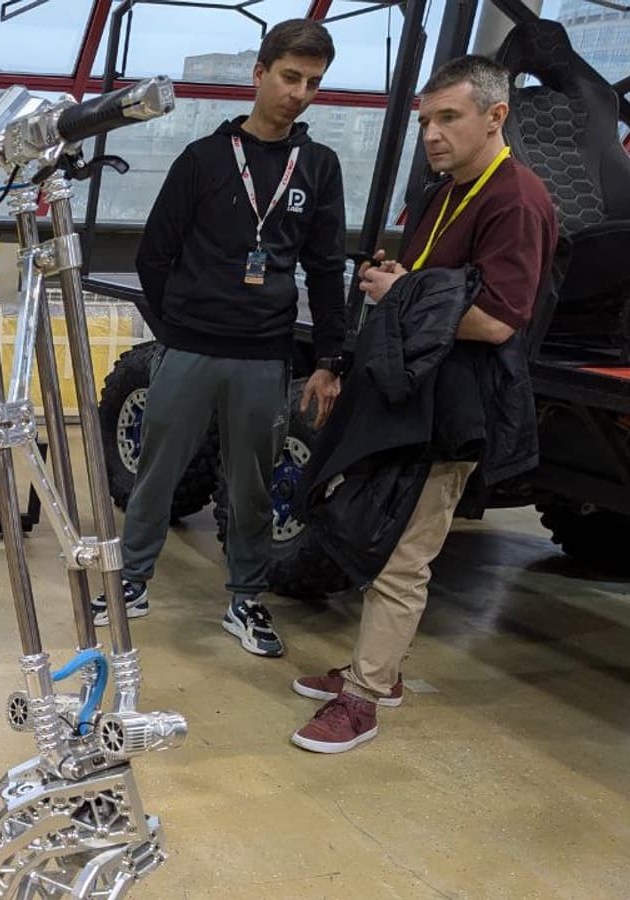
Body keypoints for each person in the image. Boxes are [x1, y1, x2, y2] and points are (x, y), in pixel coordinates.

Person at [289, 54, 557, 753]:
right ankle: (381, 669)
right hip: (408, 394)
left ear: (495, 117)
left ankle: (366, 696)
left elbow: (497, 322)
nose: (432, 134)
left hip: (452, 410)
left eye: (449, 118)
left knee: (404, 553)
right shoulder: (443, 194)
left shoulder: (517, 200)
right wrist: (397, 284)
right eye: (425, 121)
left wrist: (401, 293)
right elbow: (431, 288)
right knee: (372, 530)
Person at [108, 19, 349, 657]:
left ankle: (245, 599)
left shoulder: (318, 168)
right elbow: (154, 255)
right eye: (290, 77)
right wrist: (177, 329)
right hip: (189, 348)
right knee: (156, 473)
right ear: (260, 74)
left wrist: (330, 358)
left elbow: (327, 270)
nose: (299, 94)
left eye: (313, 83)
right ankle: (131, 580)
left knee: (251, 488)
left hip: (263, 356)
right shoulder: (204, 159)